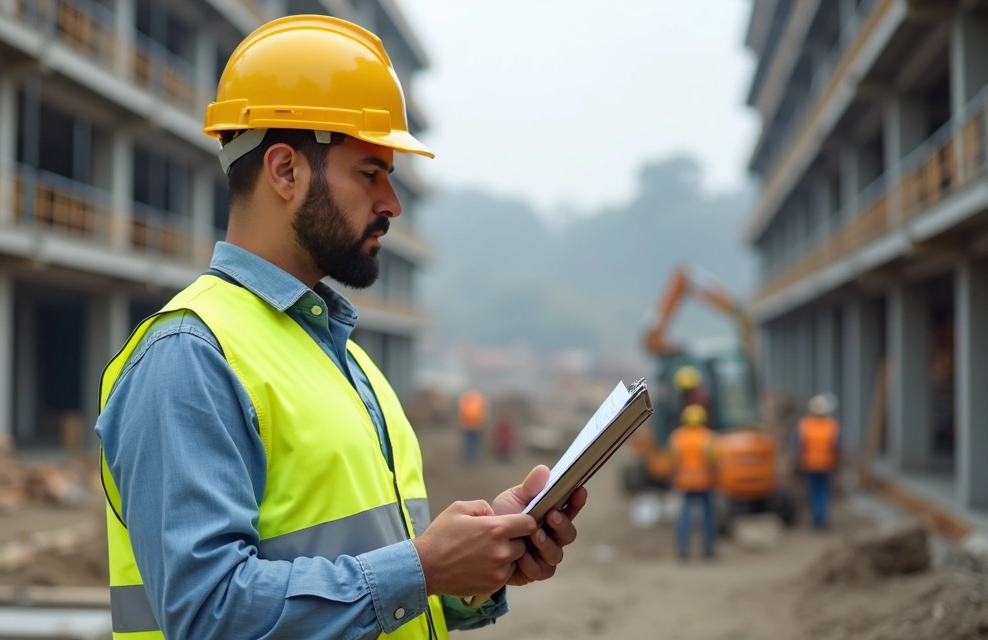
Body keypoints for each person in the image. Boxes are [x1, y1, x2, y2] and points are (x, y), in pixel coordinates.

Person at [95, 15, 588, 640]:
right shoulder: (189, 356)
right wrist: (422, 567)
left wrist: (475, 568)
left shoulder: (347, 363)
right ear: (284, 171)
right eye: (369, 172)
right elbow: (206, 614)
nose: (392, 202)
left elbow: (382, 593)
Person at [669, 404, 716, 560]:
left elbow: (673, 459)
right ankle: (708, 550)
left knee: (685, 516)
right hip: (704, 482)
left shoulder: (678, 437)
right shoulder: (708, 436)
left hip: (685, 482)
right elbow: (713, 459)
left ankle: (683, 550)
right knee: (708, 515)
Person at [793, 394, 841, 530]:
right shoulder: (832, 425)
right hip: (827, 464)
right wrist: (837, 462)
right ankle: (822, 518)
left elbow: (798, 445)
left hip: (810, 464)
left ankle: (816, 519)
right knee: (824, 491)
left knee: (813, 491)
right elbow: (837, 446)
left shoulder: (805, 425)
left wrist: (798, 462)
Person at [459, 390, 488, 466]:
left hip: (468, 427)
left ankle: (469, 459)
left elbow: (462, 414)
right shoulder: (479, 402)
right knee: (473, 444)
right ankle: (472, 459)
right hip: (475, 427)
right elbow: (483, 414)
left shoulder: (466, 402)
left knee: (469, 443)